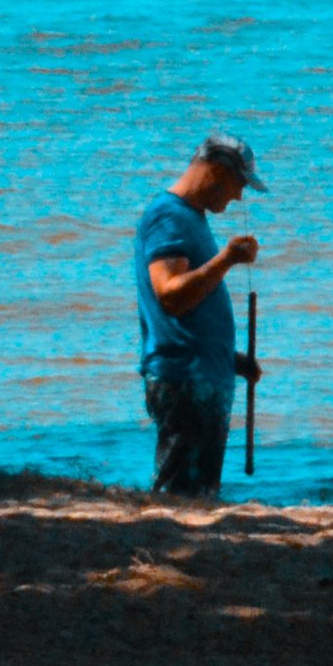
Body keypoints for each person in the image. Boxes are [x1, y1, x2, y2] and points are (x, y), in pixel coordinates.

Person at [133, 130, 264, 499]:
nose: (239, 196)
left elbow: (187, 316)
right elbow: (170, 295)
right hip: (185, 382)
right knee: (179, 498)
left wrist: (230, 360)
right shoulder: (168, 217)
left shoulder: (190, 218)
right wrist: (227, 259)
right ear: (213, 171)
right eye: (238, 184)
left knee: (200, 496)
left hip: (201, 378)